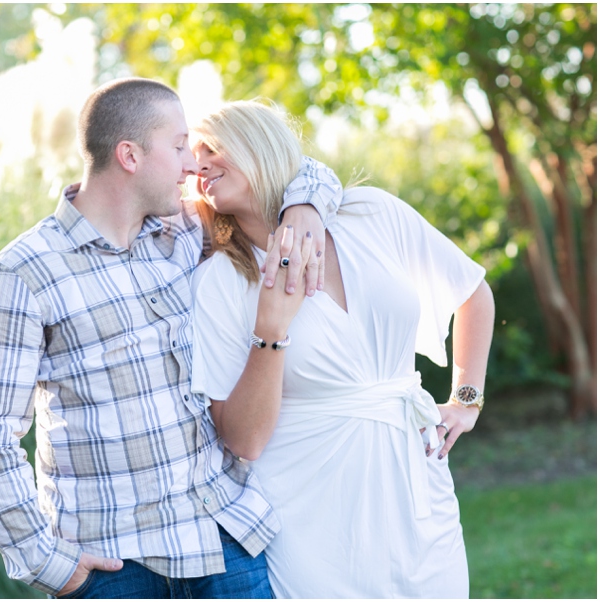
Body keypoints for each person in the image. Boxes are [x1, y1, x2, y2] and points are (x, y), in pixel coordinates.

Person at [0, 79, 343, 598]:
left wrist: (303, 210)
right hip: (116, 569)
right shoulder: (22, 273)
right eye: (180, 145)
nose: (193, 165)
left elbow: (307, 172)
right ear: (129, 155)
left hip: (224, 544)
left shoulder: (186, 231)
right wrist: (46, 562)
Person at [189, 100, 495, 598]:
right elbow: (242, 440)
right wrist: (272, 329)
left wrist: (466, 399)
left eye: (213, 147)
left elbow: (472, 292)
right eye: (192, 156)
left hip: (418, 484)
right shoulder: (221, 281)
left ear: (260, 144)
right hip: (310, 512)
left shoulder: (371, 213)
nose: (198, 164)